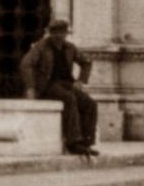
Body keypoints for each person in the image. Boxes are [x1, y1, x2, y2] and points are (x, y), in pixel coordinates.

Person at [20, 16, 98, 157]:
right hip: (47, 85)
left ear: (66, 33)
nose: (59, 36)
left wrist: (81, 80)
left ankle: (87, 142)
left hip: (66, 83)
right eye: (55, 32)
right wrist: (31, 88)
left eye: (62, 32)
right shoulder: (41, 47)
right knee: (69, 99)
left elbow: (86, 61)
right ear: (50, 33)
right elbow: (26, 64)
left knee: (90, 103)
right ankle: (73, 142)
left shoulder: (70, 48)